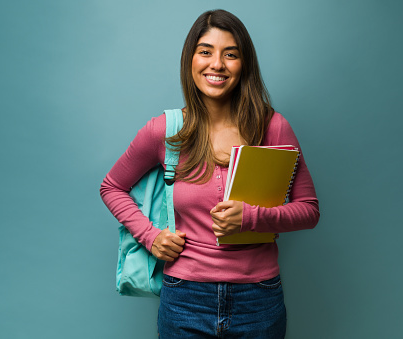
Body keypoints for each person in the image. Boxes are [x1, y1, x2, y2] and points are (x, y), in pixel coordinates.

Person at [100, 9, 319, 339]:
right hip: (184, 298)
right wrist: (151, 237)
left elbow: (309, 210)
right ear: (190, 60)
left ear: (244, 64)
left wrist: (251, 217)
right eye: (205, 52)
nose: (217, 64)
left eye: (230, 54)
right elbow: (112, 186)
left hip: (259, 300)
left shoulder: (272, 127)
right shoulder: (166, 130)